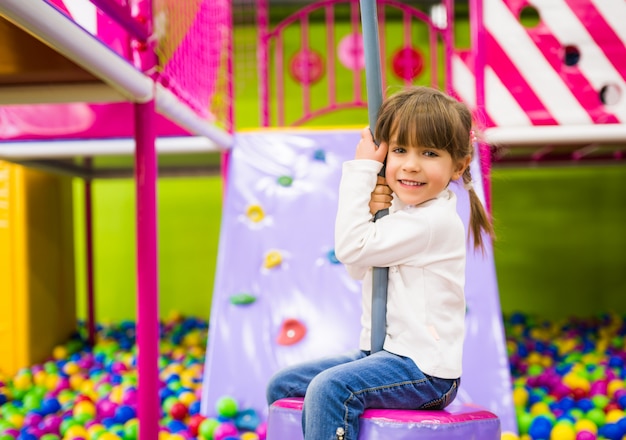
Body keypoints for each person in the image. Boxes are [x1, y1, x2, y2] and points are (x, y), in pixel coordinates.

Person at [266, 86, 495, 440]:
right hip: (381, 354)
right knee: (285, 385)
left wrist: (363, 171)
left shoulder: (431, 221)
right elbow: (361, 266)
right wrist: (375, 214)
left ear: (459, 165)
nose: (411, 164)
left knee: (330, 389)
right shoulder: (406, 215)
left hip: (424, 370)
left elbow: (351, 250)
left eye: (429, 153)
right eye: (399, 149)